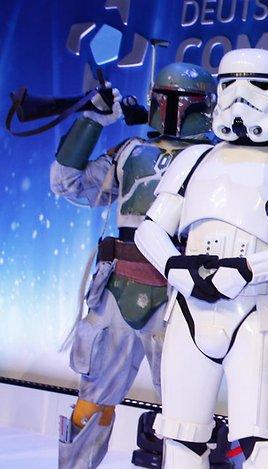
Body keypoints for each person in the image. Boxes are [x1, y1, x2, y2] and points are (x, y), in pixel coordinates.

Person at [135, 48, 268, 468]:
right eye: (230, 85)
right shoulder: (194, 159)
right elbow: (150, 229)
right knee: (180, 441)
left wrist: (248, 270)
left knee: (261, 447)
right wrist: (179, 270)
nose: (241, 97)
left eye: (257, 85)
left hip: (258, 311)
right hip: (189, 309)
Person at [51, 62, 216, 469]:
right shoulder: (130, 153)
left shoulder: (217, 161)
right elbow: (67, 183)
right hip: (118, 293)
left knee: (185, 414)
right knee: (93, 402)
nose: (173, 109)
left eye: (181, 101)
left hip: (183, 300)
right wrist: (92, 121)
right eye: (166, 99)